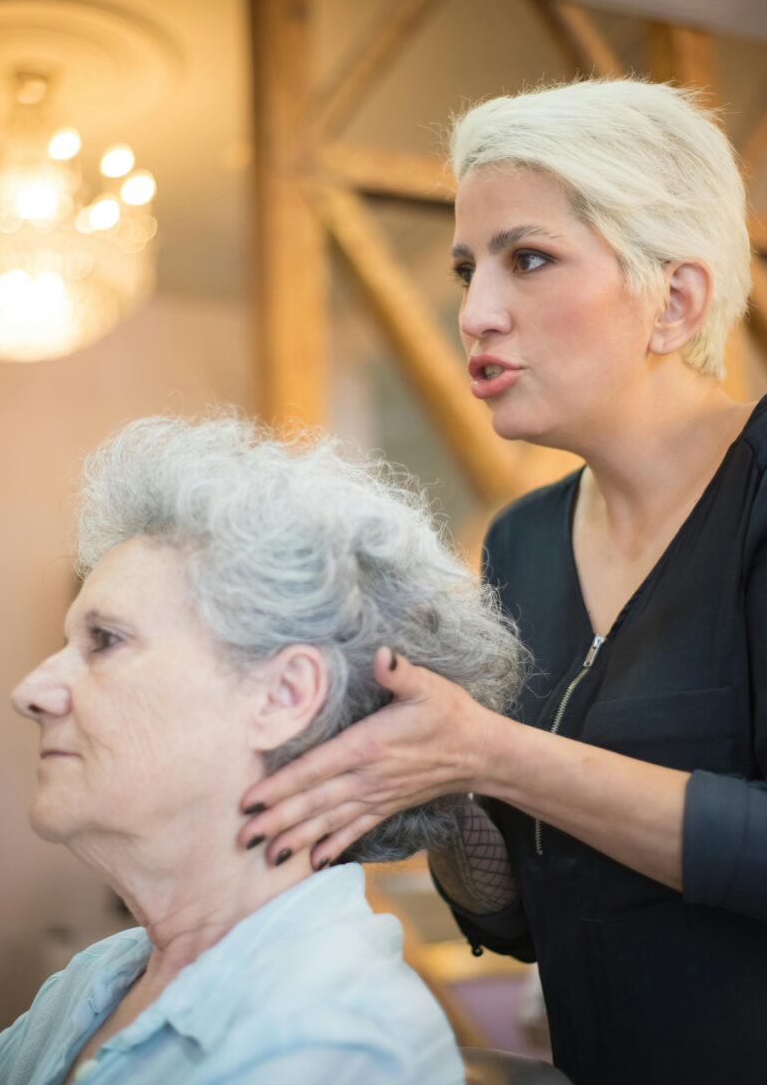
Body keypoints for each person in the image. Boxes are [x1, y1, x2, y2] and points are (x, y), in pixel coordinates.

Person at [237, 79, 767, 1085]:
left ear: (676, 297)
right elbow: (522, 914)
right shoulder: (522, 542)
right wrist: (428, 765)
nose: (475, 312)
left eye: (529, 259)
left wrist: (494, 748)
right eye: (468, 267)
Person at [0, 415, 525, 1085]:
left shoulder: (333, 1042)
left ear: (283, 696)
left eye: (105, 641)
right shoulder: (93, 983)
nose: (33, 690)